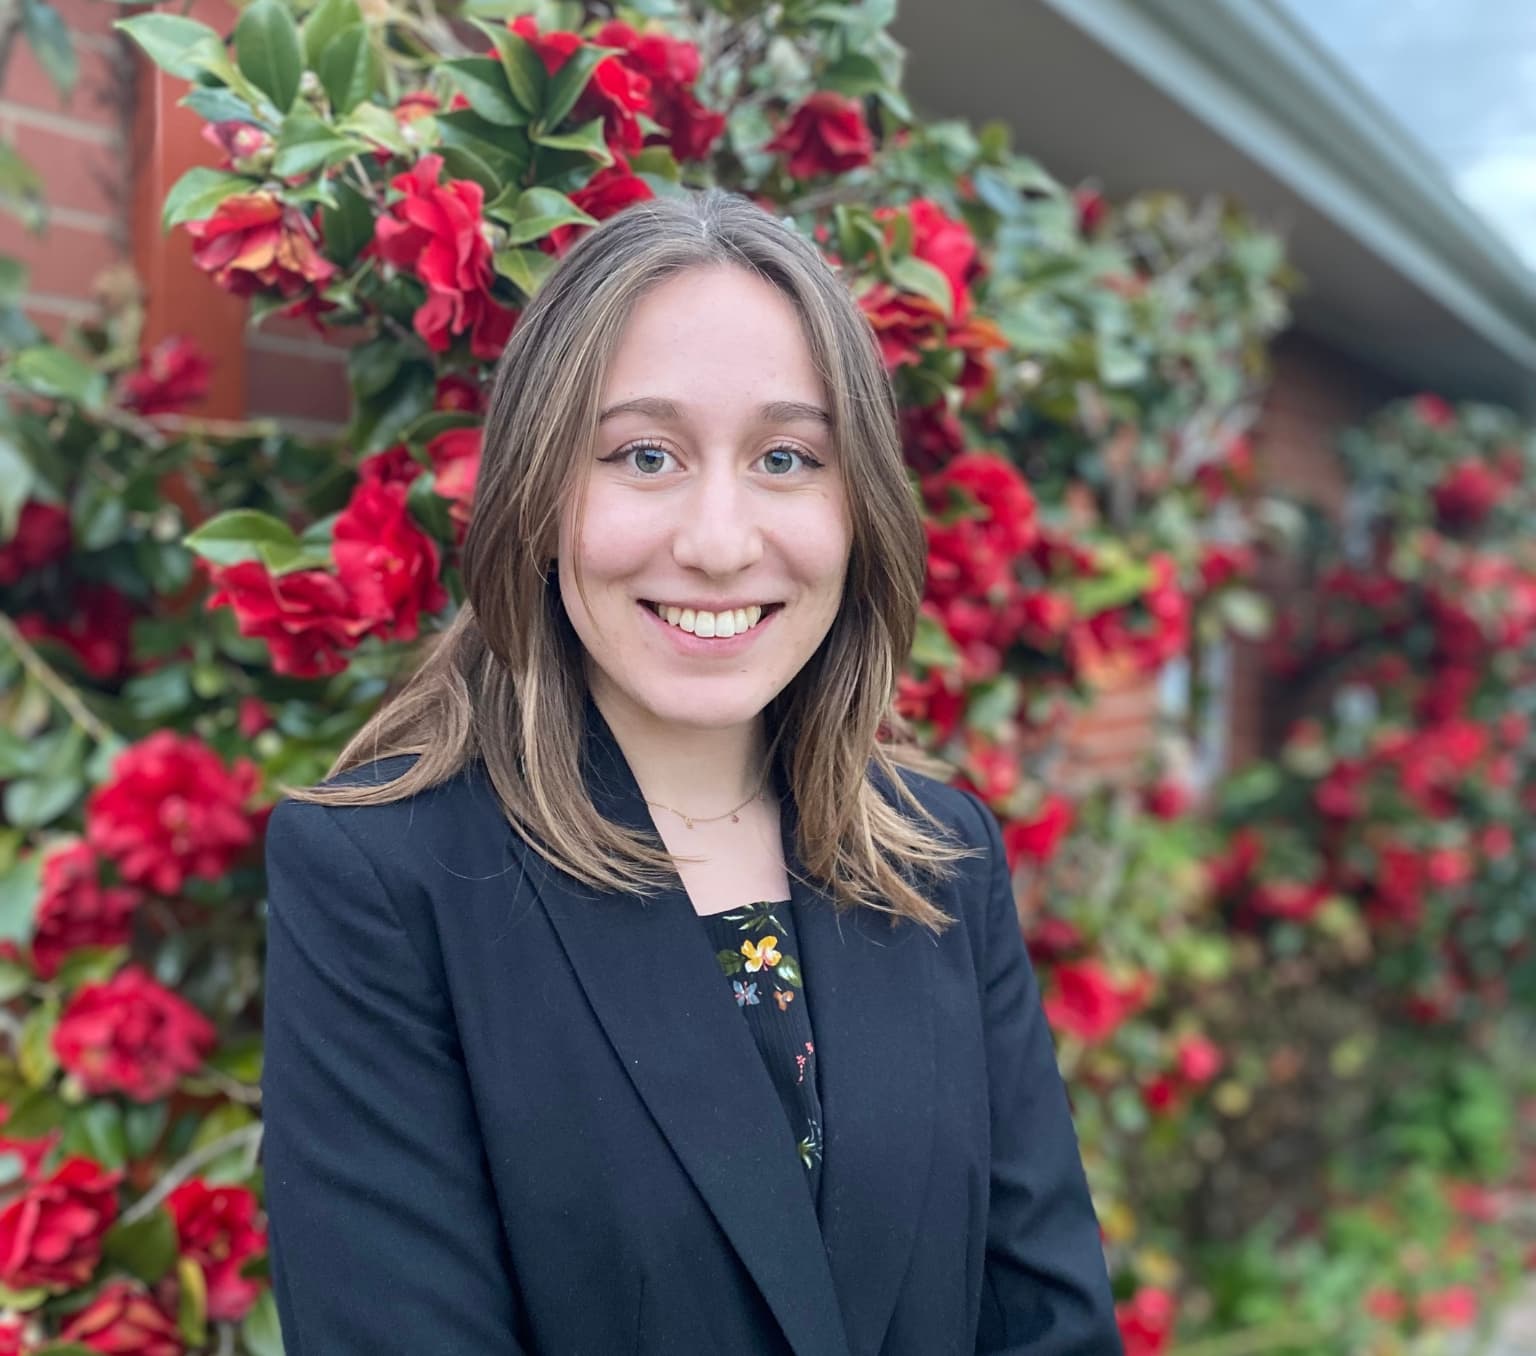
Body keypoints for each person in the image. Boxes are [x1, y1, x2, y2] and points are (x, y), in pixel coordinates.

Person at [259, 187, 1122, 1355]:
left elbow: (1046, 1320)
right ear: (540, 495)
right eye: (646, 454)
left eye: (784, 457)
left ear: (856, 503)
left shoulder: (941, 856)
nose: (719, 543)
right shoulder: (385, 878)